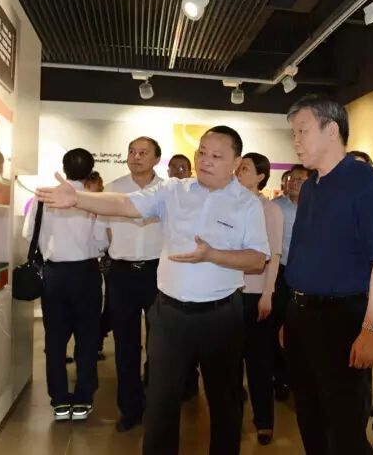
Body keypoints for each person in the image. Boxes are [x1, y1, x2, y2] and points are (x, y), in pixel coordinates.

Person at [36, 125, 270, 455]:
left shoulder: (247, 204)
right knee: (161, 402)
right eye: (202, 152)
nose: (205, 160)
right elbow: (125, 203)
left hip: (221, 315)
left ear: (236, 161)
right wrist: (79, 198)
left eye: (216, 156)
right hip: (170, 314)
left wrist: (212, 255)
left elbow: (257, 259)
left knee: (224, 401)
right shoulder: (173, 190)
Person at [282, 95, 373, 454]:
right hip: (301, 315)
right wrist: (291, 314)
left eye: (302, 131)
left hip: (342, 319)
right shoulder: (310, 188)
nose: (296, 141)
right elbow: (300, 255)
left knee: (345, 426)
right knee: (309, 415)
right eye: (293, 133)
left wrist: (372, 329)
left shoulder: (367, 184)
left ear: (331, 130)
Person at [23, 148, 107, 421]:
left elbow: (29, 235)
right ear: (90, 171)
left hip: (54, 275)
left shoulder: (43, 197)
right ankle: (83, 399)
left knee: (55, 340)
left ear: (63, 166)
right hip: (86, 273)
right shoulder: (94, 200)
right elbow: (102, 242)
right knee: (87, 338)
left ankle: (59, 401)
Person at [105, 136, 163, 432]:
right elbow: (104, 230)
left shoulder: (167, 191)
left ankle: (157, 404)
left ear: (156, 159)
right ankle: (130, 408)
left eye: (143, 152)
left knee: (160, 344)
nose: (136, 157)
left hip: (157, 273)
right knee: (125, 343)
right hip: (122, 274)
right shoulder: (113, 189)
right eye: (132, 151)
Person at [236, 152, 283, 446]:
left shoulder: (270, 210)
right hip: (228, 295)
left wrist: (267, 294)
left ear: (260, 176)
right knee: (228, 362)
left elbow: (274, 255)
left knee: (259, 363)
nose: (239, 172)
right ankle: (231, 418)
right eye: (238, 167)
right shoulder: (227, 204)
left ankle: (263, 421)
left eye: (245, 168)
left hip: (256, 295)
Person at [270, 163, 309, 400]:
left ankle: (299, 378)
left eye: (300, 179)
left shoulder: (318, 208)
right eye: (291, 178)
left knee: (301, 329)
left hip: (308, 276)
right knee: (278, 325)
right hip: (280, 274)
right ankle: (280, 378)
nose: (293, 182)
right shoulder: (276, 207)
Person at [167, 154, 200, 401]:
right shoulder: (162, 195)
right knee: (167, 338)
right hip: (165, 277)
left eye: (183, 168)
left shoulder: (200, 198)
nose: (179, 171)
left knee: (192, 338)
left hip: (193, 276)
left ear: (190, 172)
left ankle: (190, 380)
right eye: (174, 167)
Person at [84, 171, 109, 362]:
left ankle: (90, 349)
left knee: (97, 314)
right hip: (89, 267)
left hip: (97, 267)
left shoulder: (104, 210)